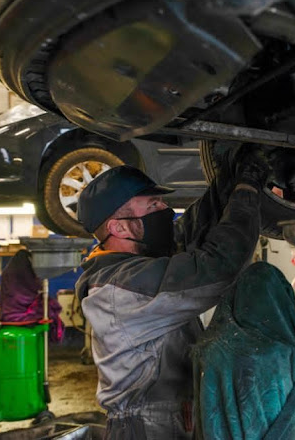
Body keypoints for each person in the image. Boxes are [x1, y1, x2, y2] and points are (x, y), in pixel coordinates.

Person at [75, 147, 269, 440]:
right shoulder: (122, 288)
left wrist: (229, 174)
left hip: (170, 420)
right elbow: (218, 267)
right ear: (119, 227)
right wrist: (247, 189)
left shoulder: (139, 260)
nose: (165, 211)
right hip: (146, 430)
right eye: (152, 205)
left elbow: (192, 230)